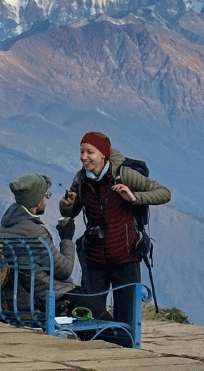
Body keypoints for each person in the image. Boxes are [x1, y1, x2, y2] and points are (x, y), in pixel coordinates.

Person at [60, 131, 170, 327]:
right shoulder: (81, 179)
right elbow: (71, 211)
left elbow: (164, 193)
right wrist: (67, 205)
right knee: (91, 317)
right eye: (82, 151)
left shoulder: (124, 175)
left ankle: (124, 349)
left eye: (89, 152)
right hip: (95, 258)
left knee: (126, 319)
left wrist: (135, 198)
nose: (83, 157)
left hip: (126, 257)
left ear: (103, 154)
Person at [0, 174, 76, 321]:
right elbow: (65, 270)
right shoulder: (34, 232)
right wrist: (67, 238)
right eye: (46, 195)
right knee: (97, 308)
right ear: (37, 201)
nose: (46, 199)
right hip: (47, 298)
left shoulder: (3, 229)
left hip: (19, 297)